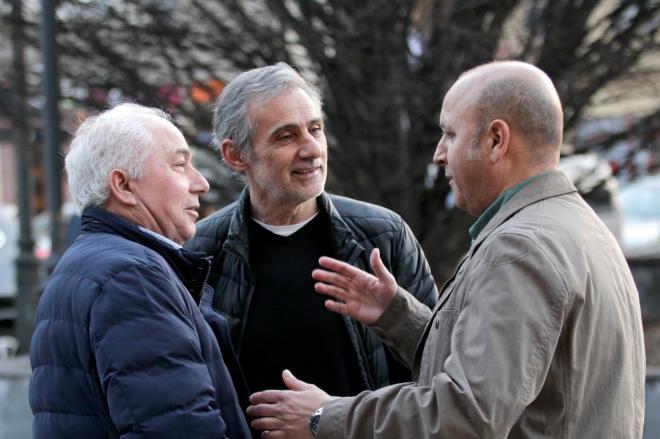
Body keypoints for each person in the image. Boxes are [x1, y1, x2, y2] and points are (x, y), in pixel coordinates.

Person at [246, 61, 646, 438]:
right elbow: (510, 376)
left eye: (450, 134)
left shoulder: (519, 247)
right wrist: (397, 316)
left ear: (495, 140)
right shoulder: (574, 226)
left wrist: (325, 417)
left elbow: (465, 416)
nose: (439, 154)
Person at [185, 62, 438, 407]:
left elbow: (440, 366)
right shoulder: (199, 253)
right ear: (236, 155)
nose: (312, 149)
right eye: (286, 136)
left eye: (315, 129)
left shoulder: (382, 235)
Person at [29, 103, 251, 439]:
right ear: (123, 186)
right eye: (180, 164)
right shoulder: (131, 276)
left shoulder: (91, 265)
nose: (201, 183)